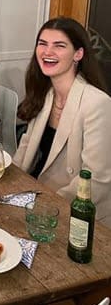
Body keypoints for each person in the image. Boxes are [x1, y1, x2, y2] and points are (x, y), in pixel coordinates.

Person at [14, 16, 111, 225]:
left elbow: (97, 180)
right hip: (34, 196)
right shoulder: (46, 93)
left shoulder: (97, 103)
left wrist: (47, 206)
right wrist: (8, 184)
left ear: (78, 54)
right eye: (43, 44)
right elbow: (26, 147)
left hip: (73, 215)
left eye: (59, 46)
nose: (48, 52)